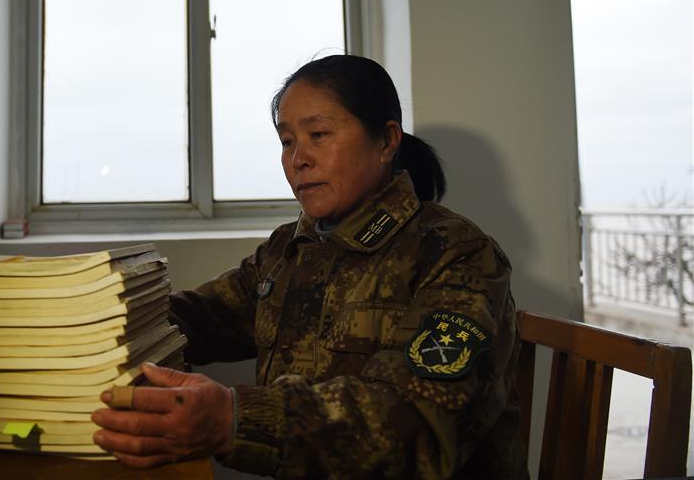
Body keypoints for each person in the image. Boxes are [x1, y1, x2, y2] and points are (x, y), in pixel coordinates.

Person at [92, 55, 529, 479]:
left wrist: (234, 418)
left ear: (387, 141)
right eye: (286, 141)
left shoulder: (456, 255)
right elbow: (202, 317)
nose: (297, 158)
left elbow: (415, 423)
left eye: (318, 134)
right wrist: (96, 319)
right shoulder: (291, 248)